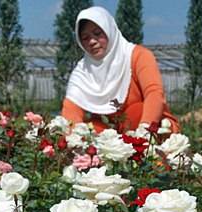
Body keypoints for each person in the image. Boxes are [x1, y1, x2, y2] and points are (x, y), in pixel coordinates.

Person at [62, 6, 180, 135]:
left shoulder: (137, 56)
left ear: (109, 30)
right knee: (89, 129)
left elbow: (154, 93)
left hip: (151, 127)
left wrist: (145, 129)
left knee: (136, 112)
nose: (92, 41)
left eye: (97, 34)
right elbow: (71, 108)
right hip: (112, 135)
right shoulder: (82, 71)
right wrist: (76, 137)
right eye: (85, 38)